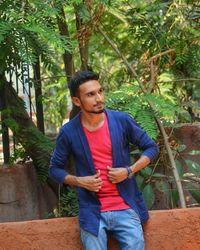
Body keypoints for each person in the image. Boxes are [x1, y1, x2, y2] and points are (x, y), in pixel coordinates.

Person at [49, 71, 159, 250]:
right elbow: (54, 169)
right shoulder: (69, 132)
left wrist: (129, 170)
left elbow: (152, 147)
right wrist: (79, 181)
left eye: (100, 91)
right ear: (77, 101)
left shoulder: (121, 120)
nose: (99, 98)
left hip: (125, 206)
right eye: (91, 94)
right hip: (92, 211)